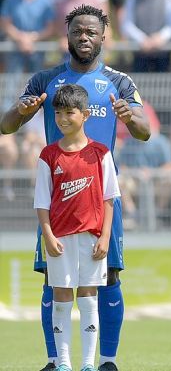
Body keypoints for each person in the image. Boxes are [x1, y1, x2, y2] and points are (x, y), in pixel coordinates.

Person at [1, 4, 151, 371]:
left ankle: (108, 361)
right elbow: (6, 127)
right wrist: (22, 110)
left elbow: (145, 131)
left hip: (101, 199)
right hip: (60, 198)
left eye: (92, 32)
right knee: (55, 280)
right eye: (78, 32)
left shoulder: (119, 82)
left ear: (104, 37)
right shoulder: (45, 80)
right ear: (66, 35)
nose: (84, 38)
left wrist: (131, 117)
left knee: (109, 276)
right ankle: (56, 361)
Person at [33, 84, 120, 371]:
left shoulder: (100, 153)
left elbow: (109, 199)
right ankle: (64, 364)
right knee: (60, 296)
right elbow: (42, 203)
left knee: (88, 296)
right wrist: (47, 235)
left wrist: (105, 236)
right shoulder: (48, 156)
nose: (62, 119)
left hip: (92, 238)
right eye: (58, 113)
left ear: (84, 115)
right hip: (60, 240)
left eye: (69, 112)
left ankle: (87, 364)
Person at [0, 0, 57, 73]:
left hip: (38, 47)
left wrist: (33, 38)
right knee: (12, 83)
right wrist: (20, 38)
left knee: (36, 82)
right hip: (15, 46)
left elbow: (51, 27)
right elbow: (5, 23)